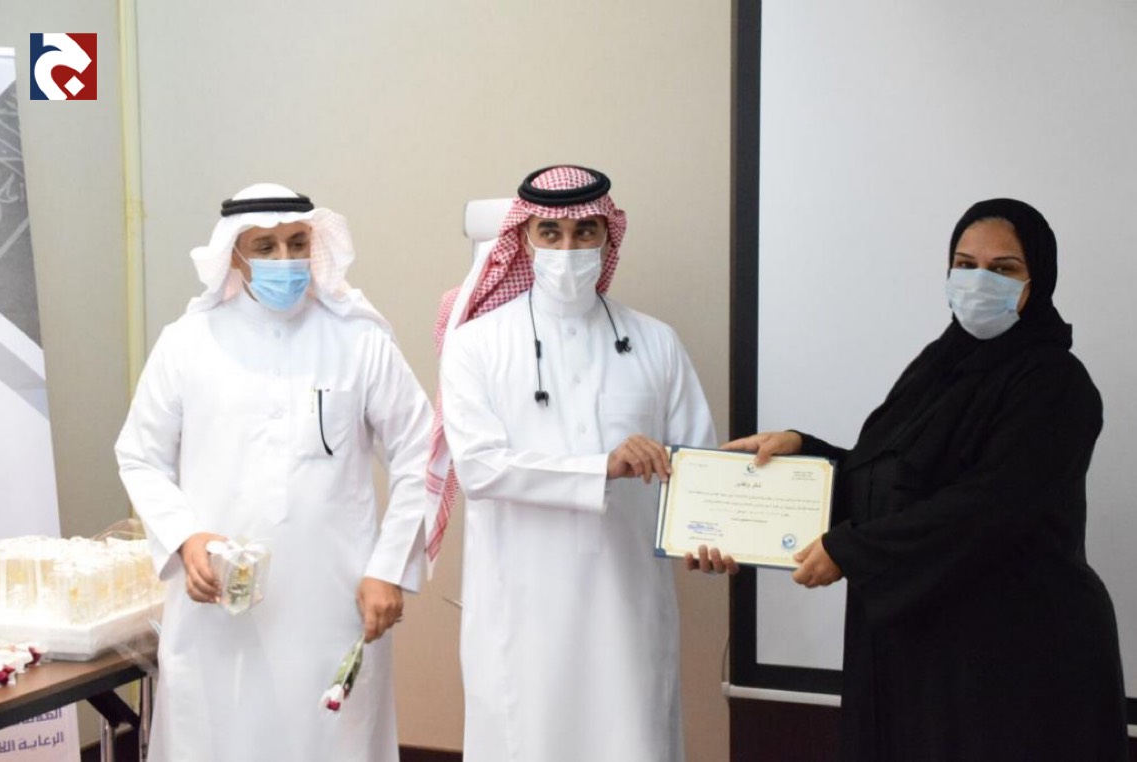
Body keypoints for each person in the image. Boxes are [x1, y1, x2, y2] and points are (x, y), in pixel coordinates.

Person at [717, 199, 1128, 760]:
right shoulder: (937, 366)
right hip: (925, 653)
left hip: (1015, 660)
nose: (979, 281)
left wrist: (853, 550)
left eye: (1004, 268)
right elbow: (896, 475)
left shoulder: (1056, 383)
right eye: (965, 264)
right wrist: (803, 454)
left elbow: (990, 506)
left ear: (1039, 280)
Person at [115, 184, 434, 761]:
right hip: (218, 607)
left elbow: (423, 454)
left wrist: (389, 569)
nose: (285, 259)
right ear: (234, 255)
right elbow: (140, 454)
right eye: (265, 246)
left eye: (297, 243)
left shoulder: (358, 340)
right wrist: (185, 538)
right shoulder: (187, 343)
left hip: (334, 600)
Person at [429, 165, 715, 761]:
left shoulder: (656, 341)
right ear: (523, 237)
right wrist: (601, 467)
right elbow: (479, 468)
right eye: (551, 233)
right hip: (521, 609)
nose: (568, 249)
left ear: (608, 237)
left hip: (627, 606)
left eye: (586, 231)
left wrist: (713, 533)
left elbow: (698, 468)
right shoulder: (475, 343)